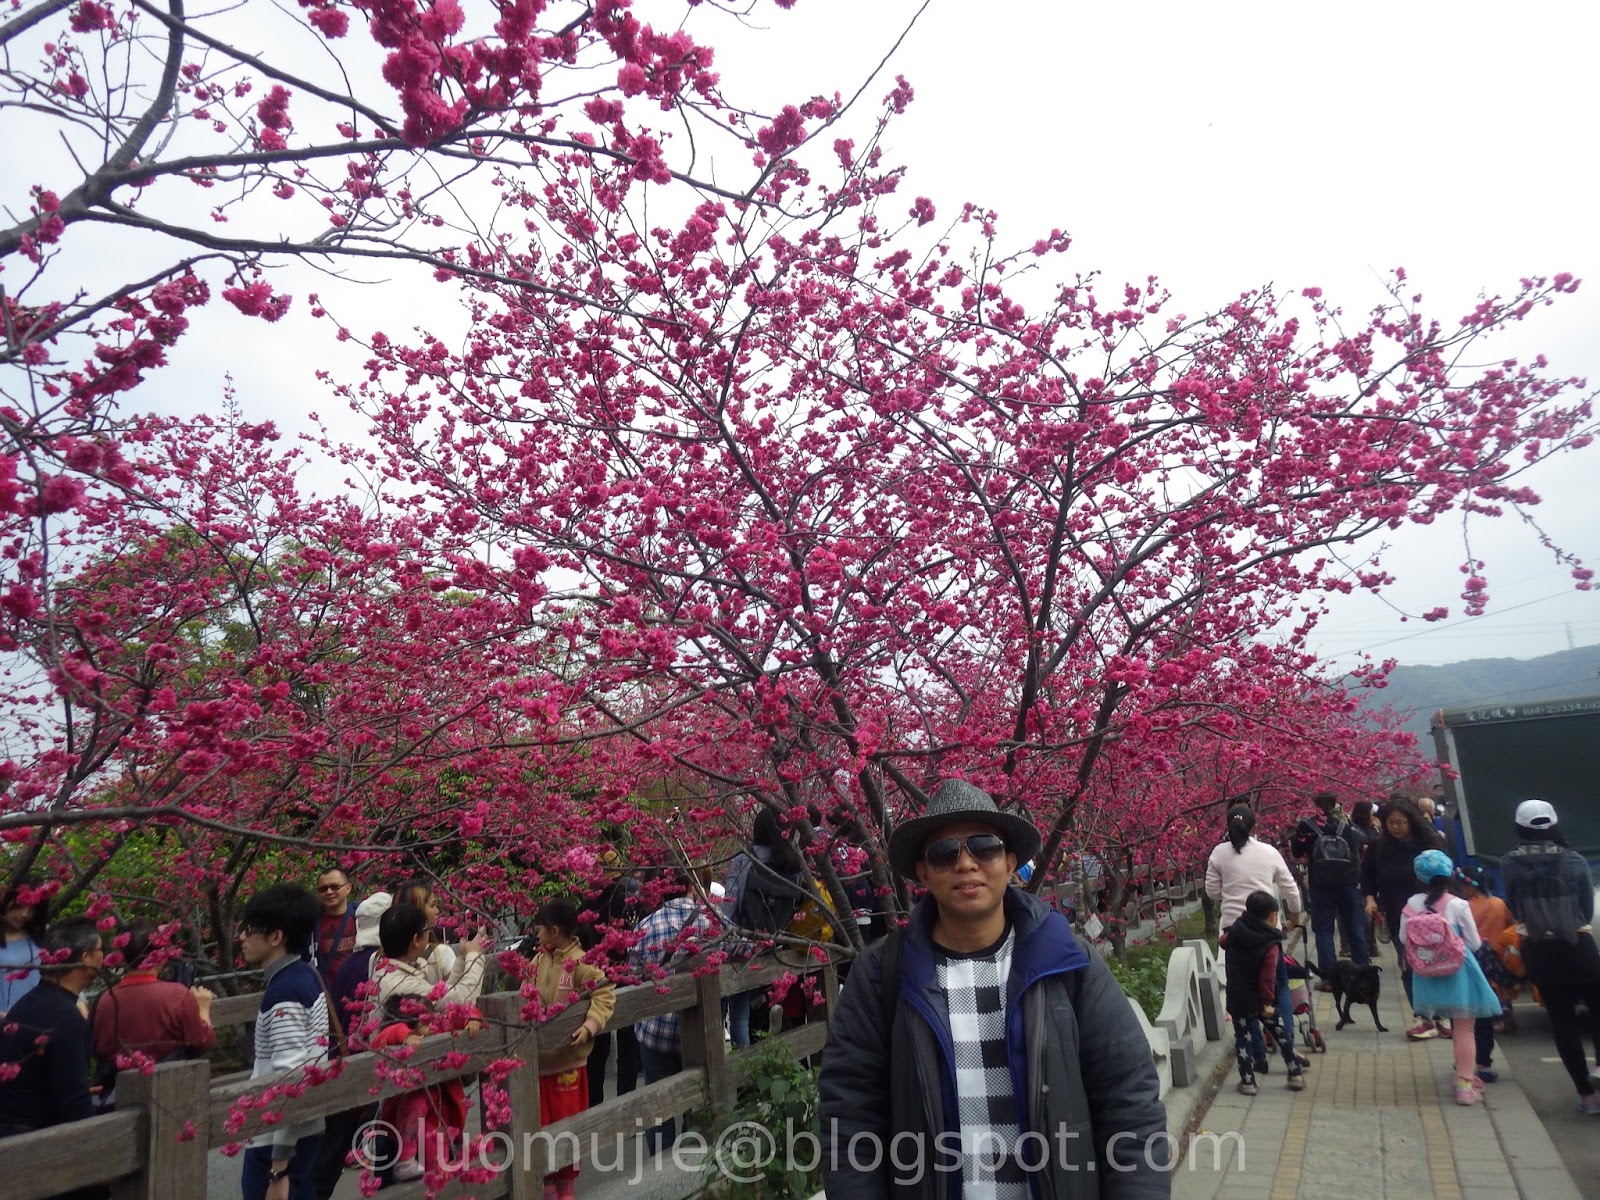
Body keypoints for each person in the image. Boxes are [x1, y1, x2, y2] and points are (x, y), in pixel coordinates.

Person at [819, 779, 1169, 1200]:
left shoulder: (1067, 962)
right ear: (923, 873)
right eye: (944, 853)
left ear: (1010, 862)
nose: (966, 864)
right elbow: (850, 1116)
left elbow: (1129, 1101)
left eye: (984, 847)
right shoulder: (881, 974)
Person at [373, 903, 490, 1180]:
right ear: (416, 940)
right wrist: (476, 958)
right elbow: (456, 1002)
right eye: (427, 931)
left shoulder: (394, 971)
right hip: (411, 1099)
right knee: (431, 1172)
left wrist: (462, 958)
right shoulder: (401, 983)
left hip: (414, 1092)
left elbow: (442, 995)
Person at [1498, 799, 1600, 1116]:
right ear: (1554, 824)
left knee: (1562, 1022)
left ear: (1520, 827)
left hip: (1539, 949)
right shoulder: (1574, 860)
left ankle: (1587, 1096)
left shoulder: (1509, 862)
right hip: (1579, 946)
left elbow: (1515, 908)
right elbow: (1585, 908)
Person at [238, 883, 329, 1200]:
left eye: (250, 930)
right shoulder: (303, 974)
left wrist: (278, 1168)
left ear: (276, 937)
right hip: (301, 1131)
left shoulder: (285, 992)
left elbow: (291, 1078)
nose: (243, 938)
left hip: (279, 1141)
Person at [1203, 803, 1303, 1071]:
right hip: (1267, 931)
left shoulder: (1219, 853)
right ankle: (1287, 1042)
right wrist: (1294, 917)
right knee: (1278, 984)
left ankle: (1257, 1054)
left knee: (1244, 991)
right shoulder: (1268, 852)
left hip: (1233, 932)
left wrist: (1231, 890)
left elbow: (1212, 892)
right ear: (1255, 826)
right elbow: (1290, 887)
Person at [1400, 850, 1502, 1106]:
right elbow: (1475, 943)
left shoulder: (1411, 904)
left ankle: (1463, 1078)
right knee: (1464, 1028)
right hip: (1459, 972)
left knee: (1451, 1023)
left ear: (1418, 876)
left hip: (1426, 975)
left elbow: (1403, 939)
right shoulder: (1458, 904)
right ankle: (1465, 1083)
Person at [529, 897, 615, 1200]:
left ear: (554, 930)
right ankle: (547, 1183)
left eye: (539, 928)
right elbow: (527, 991)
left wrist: (590, 1025)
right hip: (539, 1065)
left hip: (568, 1066)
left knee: (566, 1130)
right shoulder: (539, 960)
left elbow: (604, 992)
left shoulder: (580, 963)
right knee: (540, 1128)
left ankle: (565, 1186)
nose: (536, 933)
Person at [0, 918, 106, 1159]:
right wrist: (96, 1156)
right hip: (34, 1144)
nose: (104, 957)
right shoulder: (66, 1018)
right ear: (86, 957)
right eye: (101, 950)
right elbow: (74, 1102)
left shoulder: (27, 1005)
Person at [630, 865, 718, 1153]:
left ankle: (660, 1175)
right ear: (690, 886)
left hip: (655, 1031)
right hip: (700, 1031)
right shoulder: (712, 922)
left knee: (659, 1105)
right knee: (699, 1101)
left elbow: (632, 979)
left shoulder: (643, 927)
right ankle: (694, 1170)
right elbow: (743, 949)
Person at [315, 891, 392, 1200]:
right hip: (364, 1065)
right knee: (339, 1148)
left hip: (344, 1058)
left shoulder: (348, 964)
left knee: (334, 1148)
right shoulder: (377, 963)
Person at [91, 919, 215, 1100]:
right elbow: (203, 1042)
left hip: (118, 1094)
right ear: (161, 954)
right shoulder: (176, 994)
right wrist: (203, 1009)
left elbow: (97, 1049)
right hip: (171, 1090)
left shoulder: (104, 999)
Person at [723, 807, 809, 1047]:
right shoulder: (793, 863)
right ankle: (765, 1014)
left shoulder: (745, 858)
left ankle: (744, 1069)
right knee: (772, 997)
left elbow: (730, 904)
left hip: (746, 945)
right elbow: (796, 904)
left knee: (739, 1012)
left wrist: (727, 938)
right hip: (780, 945)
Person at [1361, 797, 1440, 1037]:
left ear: (1411, 821)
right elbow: (1368, 876)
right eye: (1391, 823)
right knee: (1408, 965)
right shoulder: (1379, 847)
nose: (1395, 827)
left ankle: (1442, 1014)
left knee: (1434, 963)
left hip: (1430, 914)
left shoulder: (1427, 843)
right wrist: (1370, 899)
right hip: (1398, 915)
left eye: (1400, 822)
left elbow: (1444, 875)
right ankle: (1423, 1017)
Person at [1221, 891, 1305, 1095]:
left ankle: (1248, 1082)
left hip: (1239, 997)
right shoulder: (1270, 943)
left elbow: (1223, 942)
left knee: (1243, 1038)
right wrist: (1268, 1001)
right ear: (1272, 916)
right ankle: (1294, 1072)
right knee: (1279, 1032)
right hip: (1261, 999)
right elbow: (1268, 975)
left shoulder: (1235, 933)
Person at [577, 850, 642, 1106]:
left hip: (596, 978)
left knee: (598, 1044)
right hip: (626, 973)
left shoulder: (588, 902)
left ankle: (594, 1102)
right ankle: (626, 1099)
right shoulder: (629, 901)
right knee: (628, 1042)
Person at [1290, 792, 1369, 982]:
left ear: (1314, 804)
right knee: (1354, 927)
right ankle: (1363, 973)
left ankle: (1330, 977)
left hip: (1321, 885)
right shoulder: (1343, 826)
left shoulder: (1306, 826)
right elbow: (1355, 852)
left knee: (1324, 930)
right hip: (1347, 884)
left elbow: (1297, 852)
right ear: (1334, 805)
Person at [1455, 864, 1514, 1082]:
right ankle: (1503, 1012)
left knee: (1474, 1022)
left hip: (1472, 965)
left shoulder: (1463, 907)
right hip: (1497, 962)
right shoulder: (1499, 904)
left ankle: (1471, 1062)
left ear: (1470, 886)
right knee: (1489, 1015)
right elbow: (1510, 927)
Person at [0, 878, 49, 1017]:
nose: (25, 914)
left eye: (32, 909)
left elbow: (60, 974)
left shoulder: (41, 938)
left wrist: (79, 1002)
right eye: (20, 905)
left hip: (38, 1019)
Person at [311, 867, 358, 989]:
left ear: (348, 888)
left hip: (359, 993)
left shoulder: (360, 916)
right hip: (327, 994)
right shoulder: (311, 923)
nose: (329, 892)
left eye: (335, 886)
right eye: (323, 889)